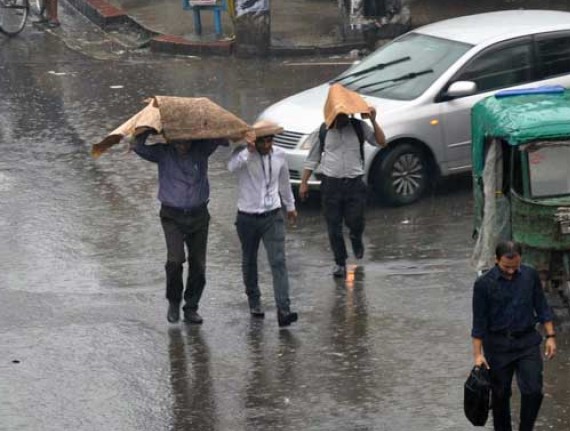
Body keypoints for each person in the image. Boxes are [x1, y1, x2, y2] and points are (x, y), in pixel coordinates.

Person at [132, 130, 228, 324]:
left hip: (199, 215)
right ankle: (174, 301)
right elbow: (137, 147)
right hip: (172, 216)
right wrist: (147, 129)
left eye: (187, 140)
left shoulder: (202, 149)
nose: (183, 144)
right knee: (175, 260)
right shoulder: (162, 152)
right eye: (178, 141)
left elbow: (222, 138)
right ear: (170, 139)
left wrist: (205, 126)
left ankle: (191, 306)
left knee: (198, 265)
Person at [471, 241, 557, 431]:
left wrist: (551, 335)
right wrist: (477, 354)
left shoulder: (529, 276)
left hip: (527, 342)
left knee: (533, 391)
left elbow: (542, 305)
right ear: (496, 261)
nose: (511, 271)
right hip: (498, 346)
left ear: (520, 260)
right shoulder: (483, 284)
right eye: (506, 267)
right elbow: (479, 322)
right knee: (500, 395)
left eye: (515, 266)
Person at [227, 120, 299, 327]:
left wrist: (290, 206)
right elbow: (231, 168)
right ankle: (254, 300)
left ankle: (283, 309)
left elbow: (284, 182)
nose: (267, 145)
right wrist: (248, 152)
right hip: (247, 216)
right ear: (255, 141)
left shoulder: (279, 155)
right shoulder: (242, 154)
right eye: (263, 141)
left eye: (270, 140)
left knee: (278, 261)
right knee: (249, 259)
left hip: (272, 215)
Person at [298, 109, 385, 278]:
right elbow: (312, 159)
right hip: (331, 185)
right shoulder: (323, 131)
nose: (342, 118)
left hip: (354, 184)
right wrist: (304, 183)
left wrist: (374, 121)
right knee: (333, 227)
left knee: (356, 220)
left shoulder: (360, 127)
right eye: (338, 114)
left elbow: (381, 142)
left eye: (345, 114)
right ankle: (340, 262)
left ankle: (356, 238)